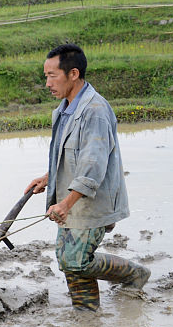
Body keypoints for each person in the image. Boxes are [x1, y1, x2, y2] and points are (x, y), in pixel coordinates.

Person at [25, 43, 149, 311]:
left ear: (73, 74)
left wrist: (66, 204)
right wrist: (49, 177)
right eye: (45, 76)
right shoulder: (64, 109)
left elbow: (93, 165)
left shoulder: (94, 111)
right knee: (67, 258)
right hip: (69, 200)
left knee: (77, 260)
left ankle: (133, 274)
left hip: (89, 202)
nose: (47, 83)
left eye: (52, 75)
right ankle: (87, 314)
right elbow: (72, 154)